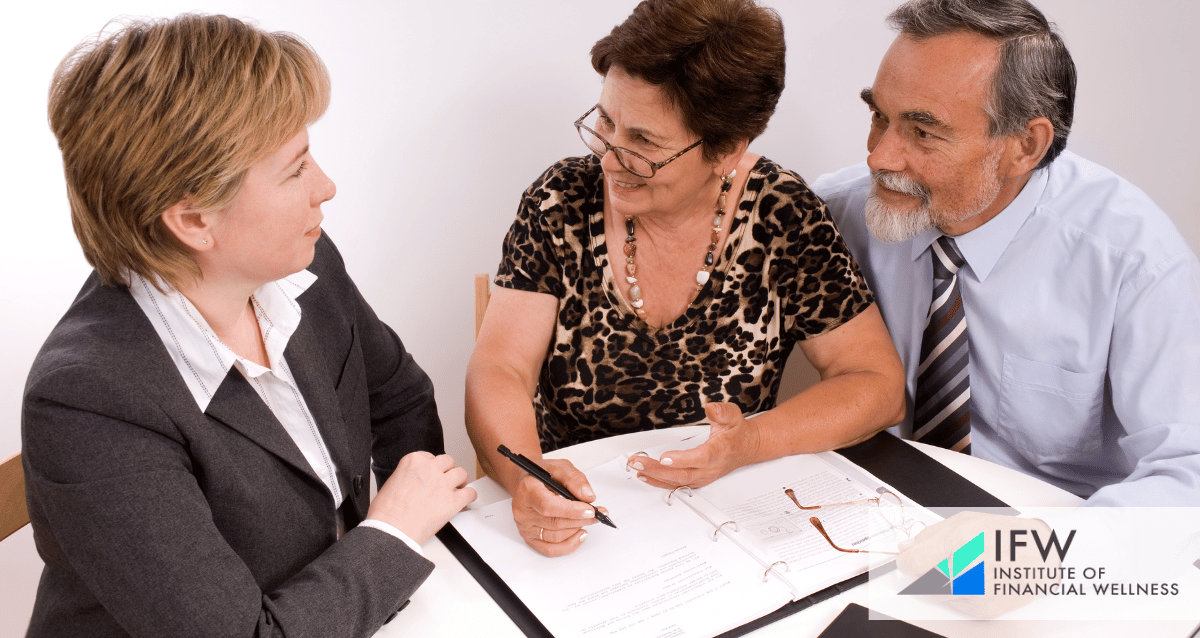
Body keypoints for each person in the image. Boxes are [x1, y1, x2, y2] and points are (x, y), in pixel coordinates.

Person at [23, 14, 476, 637]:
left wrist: (415, 547)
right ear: (194, 220)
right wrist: (395, 534)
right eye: (295, 170)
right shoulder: (88, 400)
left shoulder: (300, 261)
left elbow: (399, 397)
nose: (327, 187)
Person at [466, 0, 906, 558]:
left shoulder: (783, 215)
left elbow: (875, 384)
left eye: (644, 144)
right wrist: (529, 478)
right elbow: (499, 367)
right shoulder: (561, 201)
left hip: (727, 522)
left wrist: (749, 442)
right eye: (605, 122)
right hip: (581, 517)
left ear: (727, 149)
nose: (609, 159)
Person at [813, 0, 1200, 507]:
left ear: (1025, 146)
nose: (879, 157)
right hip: (879, 514)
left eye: (923, 131)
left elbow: (1186, 472)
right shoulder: (836, 214)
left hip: (1054, 543)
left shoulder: (1132, 260)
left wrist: (1020, 559)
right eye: (879, 116)